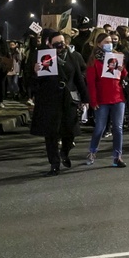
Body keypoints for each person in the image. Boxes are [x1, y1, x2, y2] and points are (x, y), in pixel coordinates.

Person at [30, 30, 89, 175]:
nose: (60, 47)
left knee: (70, 131)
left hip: (68, 98)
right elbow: (30, 82)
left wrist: (85, 99)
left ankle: (65, 151)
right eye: (56, 45)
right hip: (49, 99)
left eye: (62, 44)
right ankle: (54, 163)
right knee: (51, 134)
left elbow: (79, 79)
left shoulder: (73, 56)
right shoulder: (41, 57)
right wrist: (36, 72)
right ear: (49, 44)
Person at [85, 31, 128, 167]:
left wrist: (123, 69)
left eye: (111, 41)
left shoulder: (117, 57)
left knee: (118, 128)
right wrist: (93, 100)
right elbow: (91, 82)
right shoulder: (94, 61)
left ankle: (117, 156)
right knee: (100, 128)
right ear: (99, 44)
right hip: (102, 99)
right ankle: (92, 151)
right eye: (106, 42)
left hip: (117, 97)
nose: (110, 44)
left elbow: (123, 75)